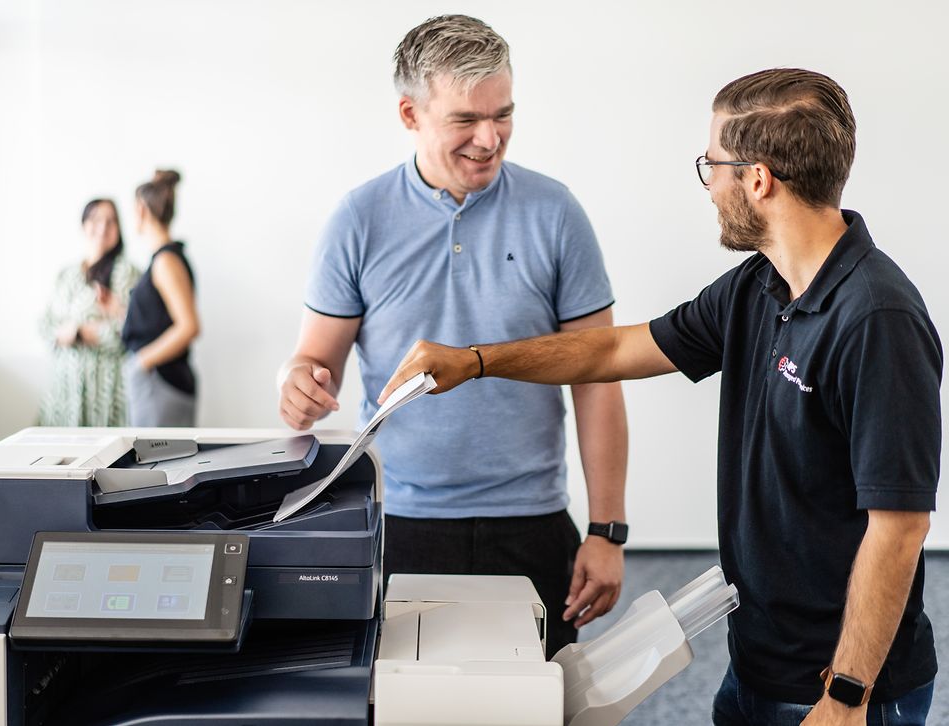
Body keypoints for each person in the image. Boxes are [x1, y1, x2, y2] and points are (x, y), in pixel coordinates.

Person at [380, 68, 940, 725]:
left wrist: (846, 696)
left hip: (842, 687)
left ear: (757, 179)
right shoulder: (756, 287)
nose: (710, 188)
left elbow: (899, 529)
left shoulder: (877, 319)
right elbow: (615, 349)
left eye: (713, 166)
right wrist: (474, 362)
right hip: (760, 658)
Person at [278, 14, 628, 657]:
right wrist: (296, 382)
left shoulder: (556, 213)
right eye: (465, 121)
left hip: (532, 520)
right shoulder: (358, 219)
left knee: (540, 705)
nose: (490, 138)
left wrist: (607, 529)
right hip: (401, 521)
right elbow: (311, 361)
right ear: (411, 114)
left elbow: (598, 377)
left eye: (504, 114)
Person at [38, 199, 141, 426]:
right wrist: (63, 333)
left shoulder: (127, 273)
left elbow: (131, 331)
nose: (103, 227)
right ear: (84, 224)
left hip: (107, 390)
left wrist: (81, 333)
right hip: (65, 388)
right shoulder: (66, 274)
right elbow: (45, 325)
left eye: (111, 221)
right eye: (96, 219)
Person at [122, 169, 199, 427]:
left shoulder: (166, 262)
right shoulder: (164, 259)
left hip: (161, 382)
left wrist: (142, 362)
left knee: (159, 466)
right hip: (158, 381)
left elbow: (189, 326)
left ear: (141, 210)